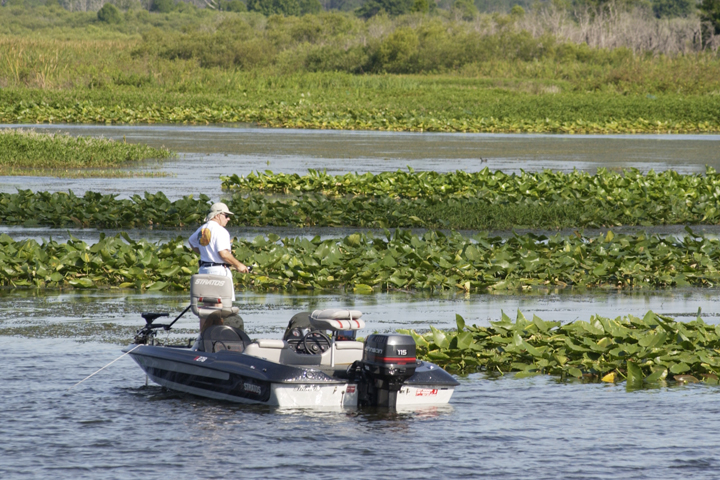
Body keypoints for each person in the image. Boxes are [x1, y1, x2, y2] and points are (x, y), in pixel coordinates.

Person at [189, 202, 249, 330]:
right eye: (226, 215)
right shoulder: (221, 231)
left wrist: (206, 254)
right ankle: (218, 338)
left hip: (204, 271)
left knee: (205, 309)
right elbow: (224, 254)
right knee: (219, 308)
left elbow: (191, 241)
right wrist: (239, 265)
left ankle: (203, 339)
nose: (228, 219)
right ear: (218, 215)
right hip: (218, 273)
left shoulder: (202, 229)